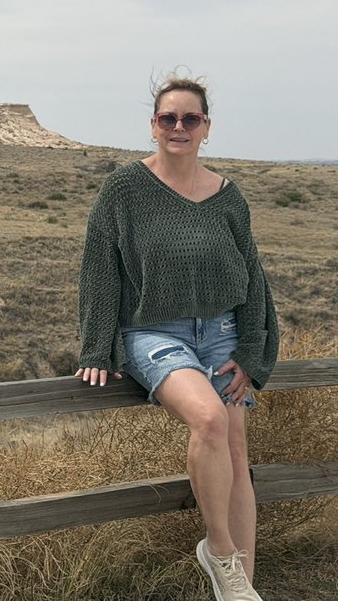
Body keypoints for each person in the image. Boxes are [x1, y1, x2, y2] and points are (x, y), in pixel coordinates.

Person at [75, 74, 278, 601]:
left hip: (223, 333)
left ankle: (240, 587)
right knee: (209, 418)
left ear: (206, 127)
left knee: (236, 449)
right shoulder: (124, 189)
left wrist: (252, 353)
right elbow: (101, 268)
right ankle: (219, 551)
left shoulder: (229, 198)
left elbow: (252, 278)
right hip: (152, 331)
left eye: (190, 118)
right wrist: (97, 347)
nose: (179, 127)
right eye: (169, 118)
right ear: (154, 125)